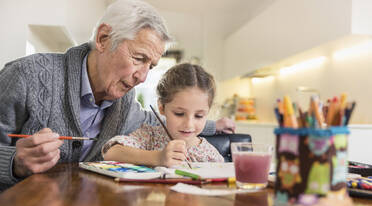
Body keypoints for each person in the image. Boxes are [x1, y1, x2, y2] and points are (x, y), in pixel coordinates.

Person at [0, 0, 235, 190]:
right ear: (103, 38)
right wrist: (14, 162)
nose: (142, 77)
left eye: (151, 66)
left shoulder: (125, 104)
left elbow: (161, 120)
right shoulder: (26, 76)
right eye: (139, 58)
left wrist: (214, 125)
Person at [102, 63, 224, 166]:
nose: (189, 124)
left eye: (199, 116)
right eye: (179, 113)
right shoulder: (150, 136)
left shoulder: (210, 155)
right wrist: (158, 157)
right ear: (161, 107)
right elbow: (110, 152)